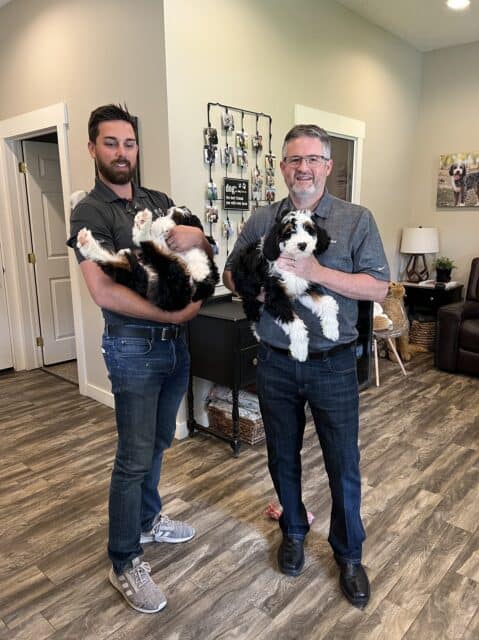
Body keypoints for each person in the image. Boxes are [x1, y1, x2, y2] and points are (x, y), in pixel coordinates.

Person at [223, 124, 389, 609]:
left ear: (328, 166)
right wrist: (253, 289)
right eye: (294, 160)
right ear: (282, 166)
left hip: (334, 365)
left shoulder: (357, 220)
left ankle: (349, 554)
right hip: (275, 361)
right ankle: (292, 530)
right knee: (281, 454)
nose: (303, 169)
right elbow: (233, 271)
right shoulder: (262, 221)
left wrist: (316, 273)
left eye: (313, 159)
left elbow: (378, 287)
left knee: (344, 464)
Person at [67, 104, 212, 614]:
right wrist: (171, 317)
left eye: (128, 143)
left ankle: (149, 521)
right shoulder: (90, 212)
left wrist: (199, 236)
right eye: (111, 143)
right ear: (93, 149)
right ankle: (124, 559)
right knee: (132, 457)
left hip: (175, 348)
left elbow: (197, 246)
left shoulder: (159, 200)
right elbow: (103, 292)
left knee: (158, 443)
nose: (122, 153)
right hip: (133, 346)